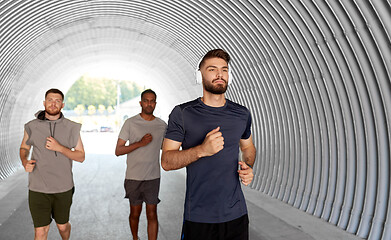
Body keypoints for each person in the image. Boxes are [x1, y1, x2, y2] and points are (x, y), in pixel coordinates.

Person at [161, 49, 256, 240]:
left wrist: (248, 166)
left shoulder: (241, 113)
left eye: (224, 69)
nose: (220, 74)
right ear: (200, 75)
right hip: (199, 216)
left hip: (236, 214)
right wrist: (202, 150)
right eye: (212, 69)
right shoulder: (183, 113)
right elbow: (166, 161)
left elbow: (247, 147)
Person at [19, 88, 85, 240]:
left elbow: (81, 156)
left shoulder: (72, 127)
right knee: (41, 231)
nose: (53, 104)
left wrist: (60, 148)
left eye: (57, 101)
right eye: (50, 100)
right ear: (44, 103)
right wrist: (24, 160)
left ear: (62, 105)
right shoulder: (31, 126)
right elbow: (24, 147)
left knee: (62, 226)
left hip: (63, 187)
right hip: (38, 187)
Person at [115, 89, 167, 240]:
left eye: (152, 101)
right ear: (141, 103)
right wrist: (140, 143)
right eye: (146, 100)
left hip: (153, 177)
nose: (149, 104)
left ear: (155, 103)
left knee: (152, 213)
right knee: (135, 213)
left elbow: (167, 148)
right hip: (133, 177)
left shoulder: (162, 125)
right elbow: (118, 150)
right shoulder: (130, 123)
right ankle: (135, 238)